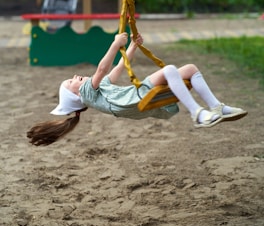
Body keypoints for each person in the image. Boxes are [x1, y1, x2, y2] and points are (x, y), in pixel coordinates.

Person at [27, 32, 247, 146]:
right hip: (135, 97)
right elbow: (103, 68)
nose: (74, 77)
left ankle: (217, 107)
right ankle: (197, 114)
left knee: (189, 69)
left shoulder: (98, 90)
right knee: (170, 69)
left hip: (134, 101)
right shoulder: (88, 92)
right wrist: (115, 44)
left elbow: (117, 69)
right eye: (70, 82)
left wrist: (132, 46)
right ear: (76, 95)